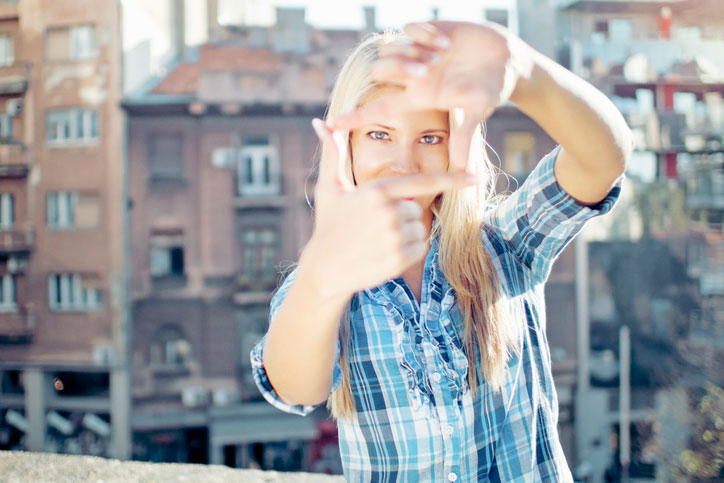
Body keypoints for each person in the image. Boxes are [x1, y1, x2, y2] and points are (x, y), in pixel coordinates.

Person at [251, 20, 632, 482]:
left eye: (429, 138)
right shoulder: (322, 284)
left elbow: (604, 159)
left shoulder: (501, 246)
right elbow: (295, 389)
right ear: (344, 142)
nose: (404, 164)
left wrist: (524, 70)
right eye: (379, 134)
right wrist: (323, 275)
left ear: (458, 143)